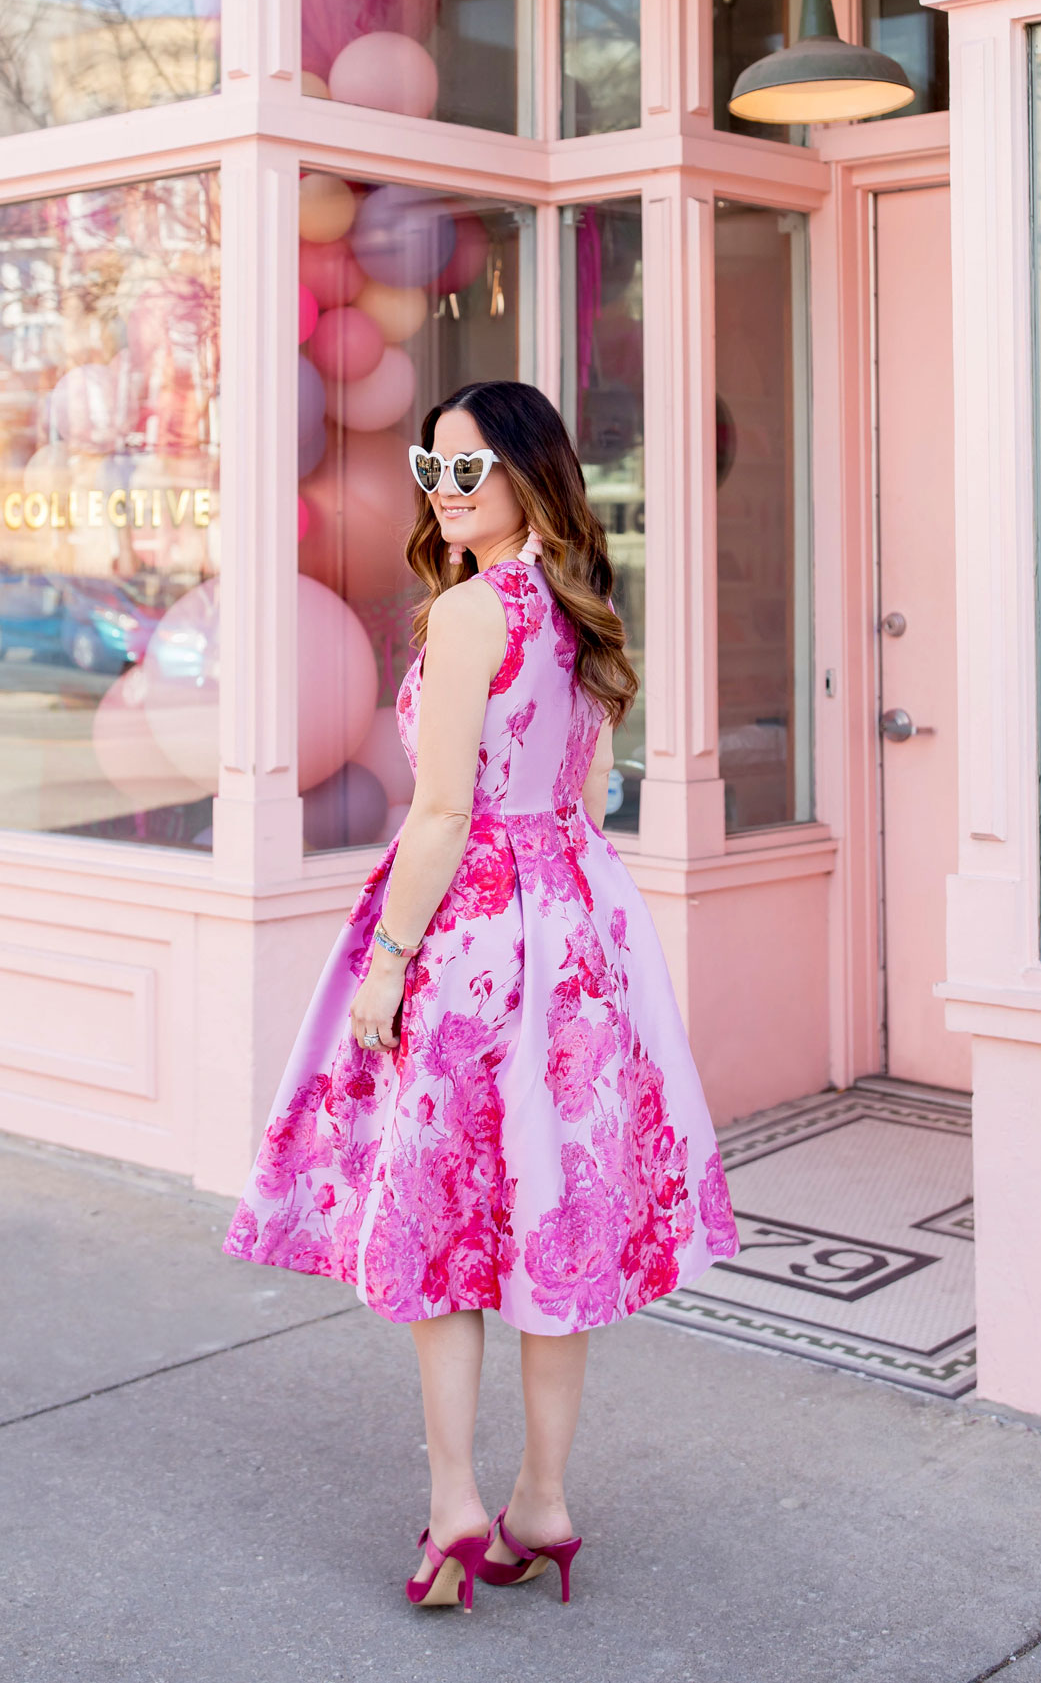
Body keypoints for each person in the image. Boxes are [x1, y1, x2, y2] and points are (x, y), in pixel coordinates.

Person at [224, 380, 739, 1611]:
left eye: (468, 472)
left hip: (476, 944)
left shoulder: (469, 613)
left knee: (449, 1219)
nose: (444, 493)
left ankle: (460, 1507)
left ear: (525, 474)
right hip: (579, 930)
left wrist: (389, 962)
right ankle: (542, 1505)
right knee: (549, 1209)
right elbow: (588, 786)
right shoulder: (578, 603)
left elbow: (445, 811)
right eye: (430, 468)